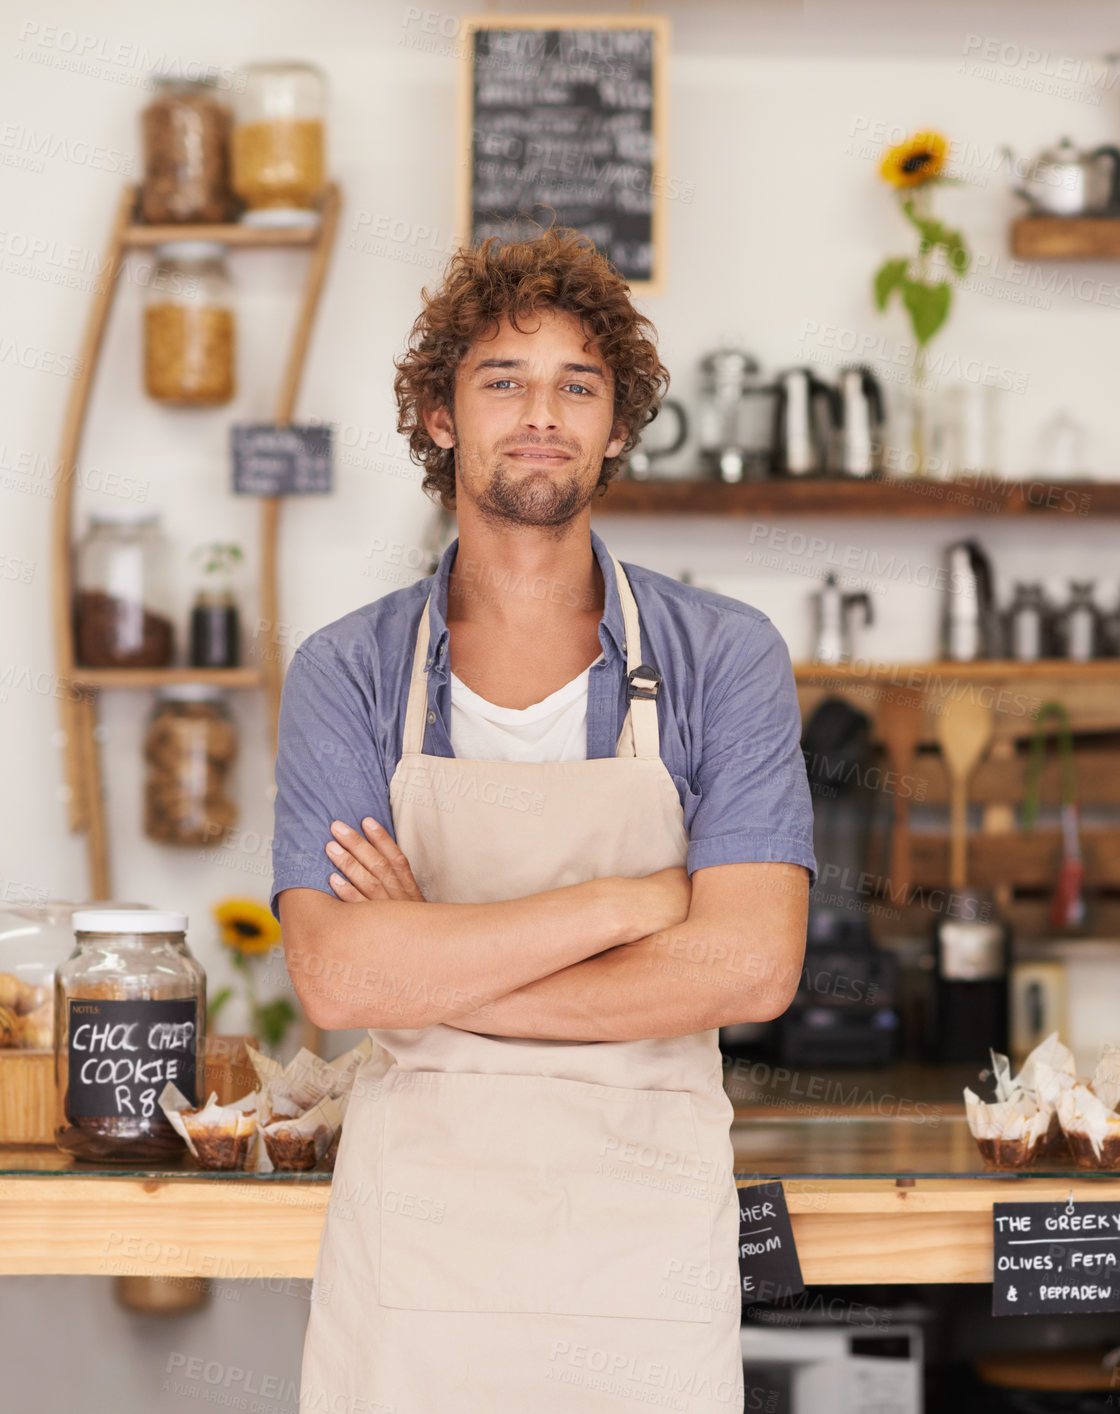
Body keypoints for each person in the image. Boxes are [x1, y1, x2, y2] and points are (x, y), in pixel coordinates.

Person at [271, 227, 817, 1412]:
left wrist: (433, 960)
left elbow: (753, 965)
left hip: (643, 1250)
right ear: (439, 417)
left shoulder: (724, 658)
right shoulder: (347, 671)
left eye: (578, 384)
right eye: (501, 381)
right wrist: (625, 907)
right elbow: (336, 978)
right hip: (417, 1250)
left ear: (617, 426)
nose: (541, 413)